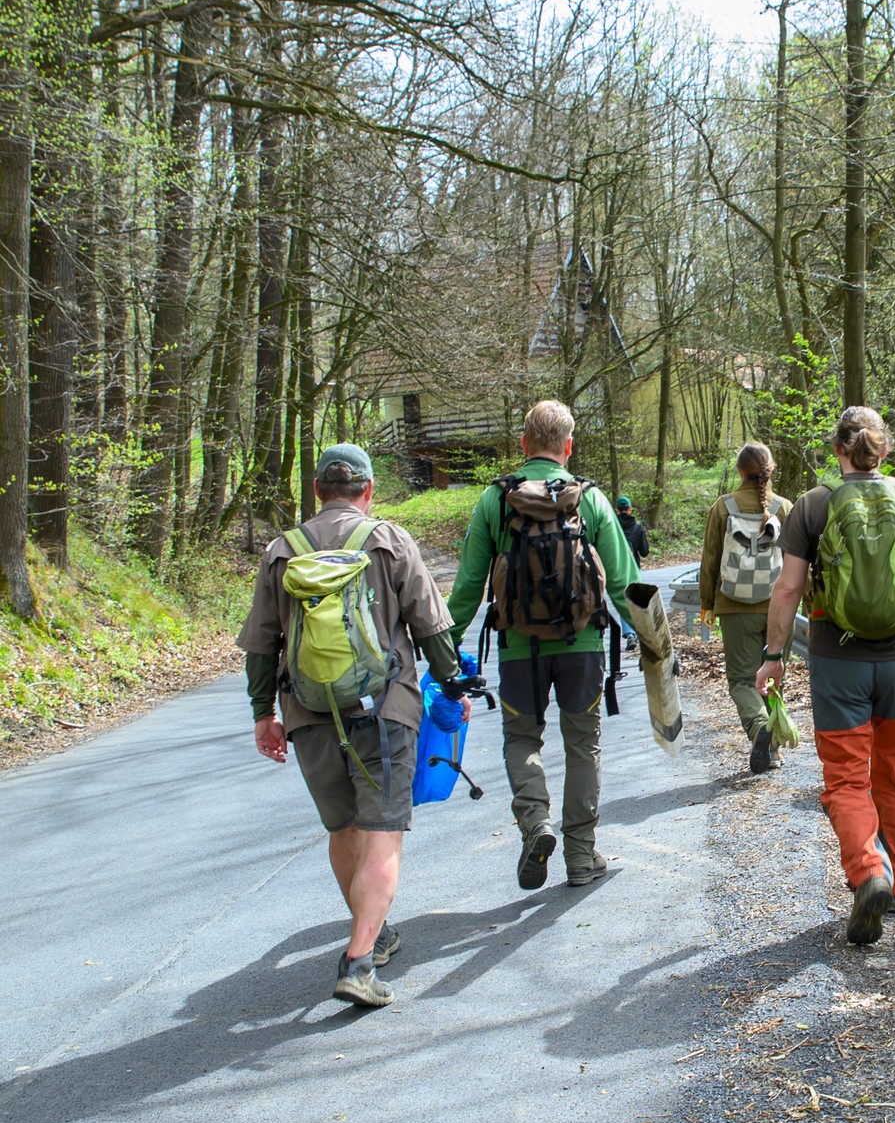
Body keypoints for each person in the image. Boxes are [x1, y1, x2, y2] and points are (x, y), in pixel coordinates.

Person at [240, 444, 474, 1007]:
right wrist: (454, 685)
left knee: (343, 829)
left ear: (317, 490)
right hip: (384, 709)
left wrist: (262, 715)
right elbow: (431, 626)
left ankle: (372, 931)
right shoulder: (388, 541)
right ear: (368, 491)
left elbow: (260, 644)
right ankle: (359, 959)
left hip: (308, 714)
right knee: (383, 831)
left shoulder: (280, 552)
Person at [756, 407, 895, 945]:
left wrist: (774, 657)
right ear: (883, 451)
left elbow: (788, 589)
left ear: (838, 450)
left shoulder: (814, 505)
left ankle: (869, 873)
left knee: (845, 777)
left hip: (836, 658)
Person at [447, 400, 641, 891]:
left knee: (521, 740)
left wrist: (443, 651)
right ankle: (580, 856)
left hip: (517, 649)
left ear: (523, 445)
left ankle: (535, 824)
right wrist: (654, 643)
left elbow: (469, 587)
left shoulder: (496, 501)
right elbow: (626, 582)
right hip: (583, 645)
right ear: (568, 446)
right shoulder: (590, 500)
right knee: (583, 745)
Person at [701, 442, 796, 773]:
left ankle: (760, 731)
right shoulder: (785, 507)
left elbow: (710, 560)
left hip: (734, 605)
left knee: (743, 681)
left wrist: (707, 603)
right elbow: (802, 565)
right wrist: (810, 605)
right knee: (771, 678)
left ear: (740, 471)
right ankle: (772, 751)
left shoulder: (723, 506)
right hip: (778, 607)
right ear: (771, 471)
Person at [616, 496, 652, 562]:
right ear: (630, 509)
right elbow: (644, 552)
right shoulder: (638, 528)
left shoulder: (611, 526)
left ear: (616, 509)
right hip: (633, 568)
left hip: (615, 568)